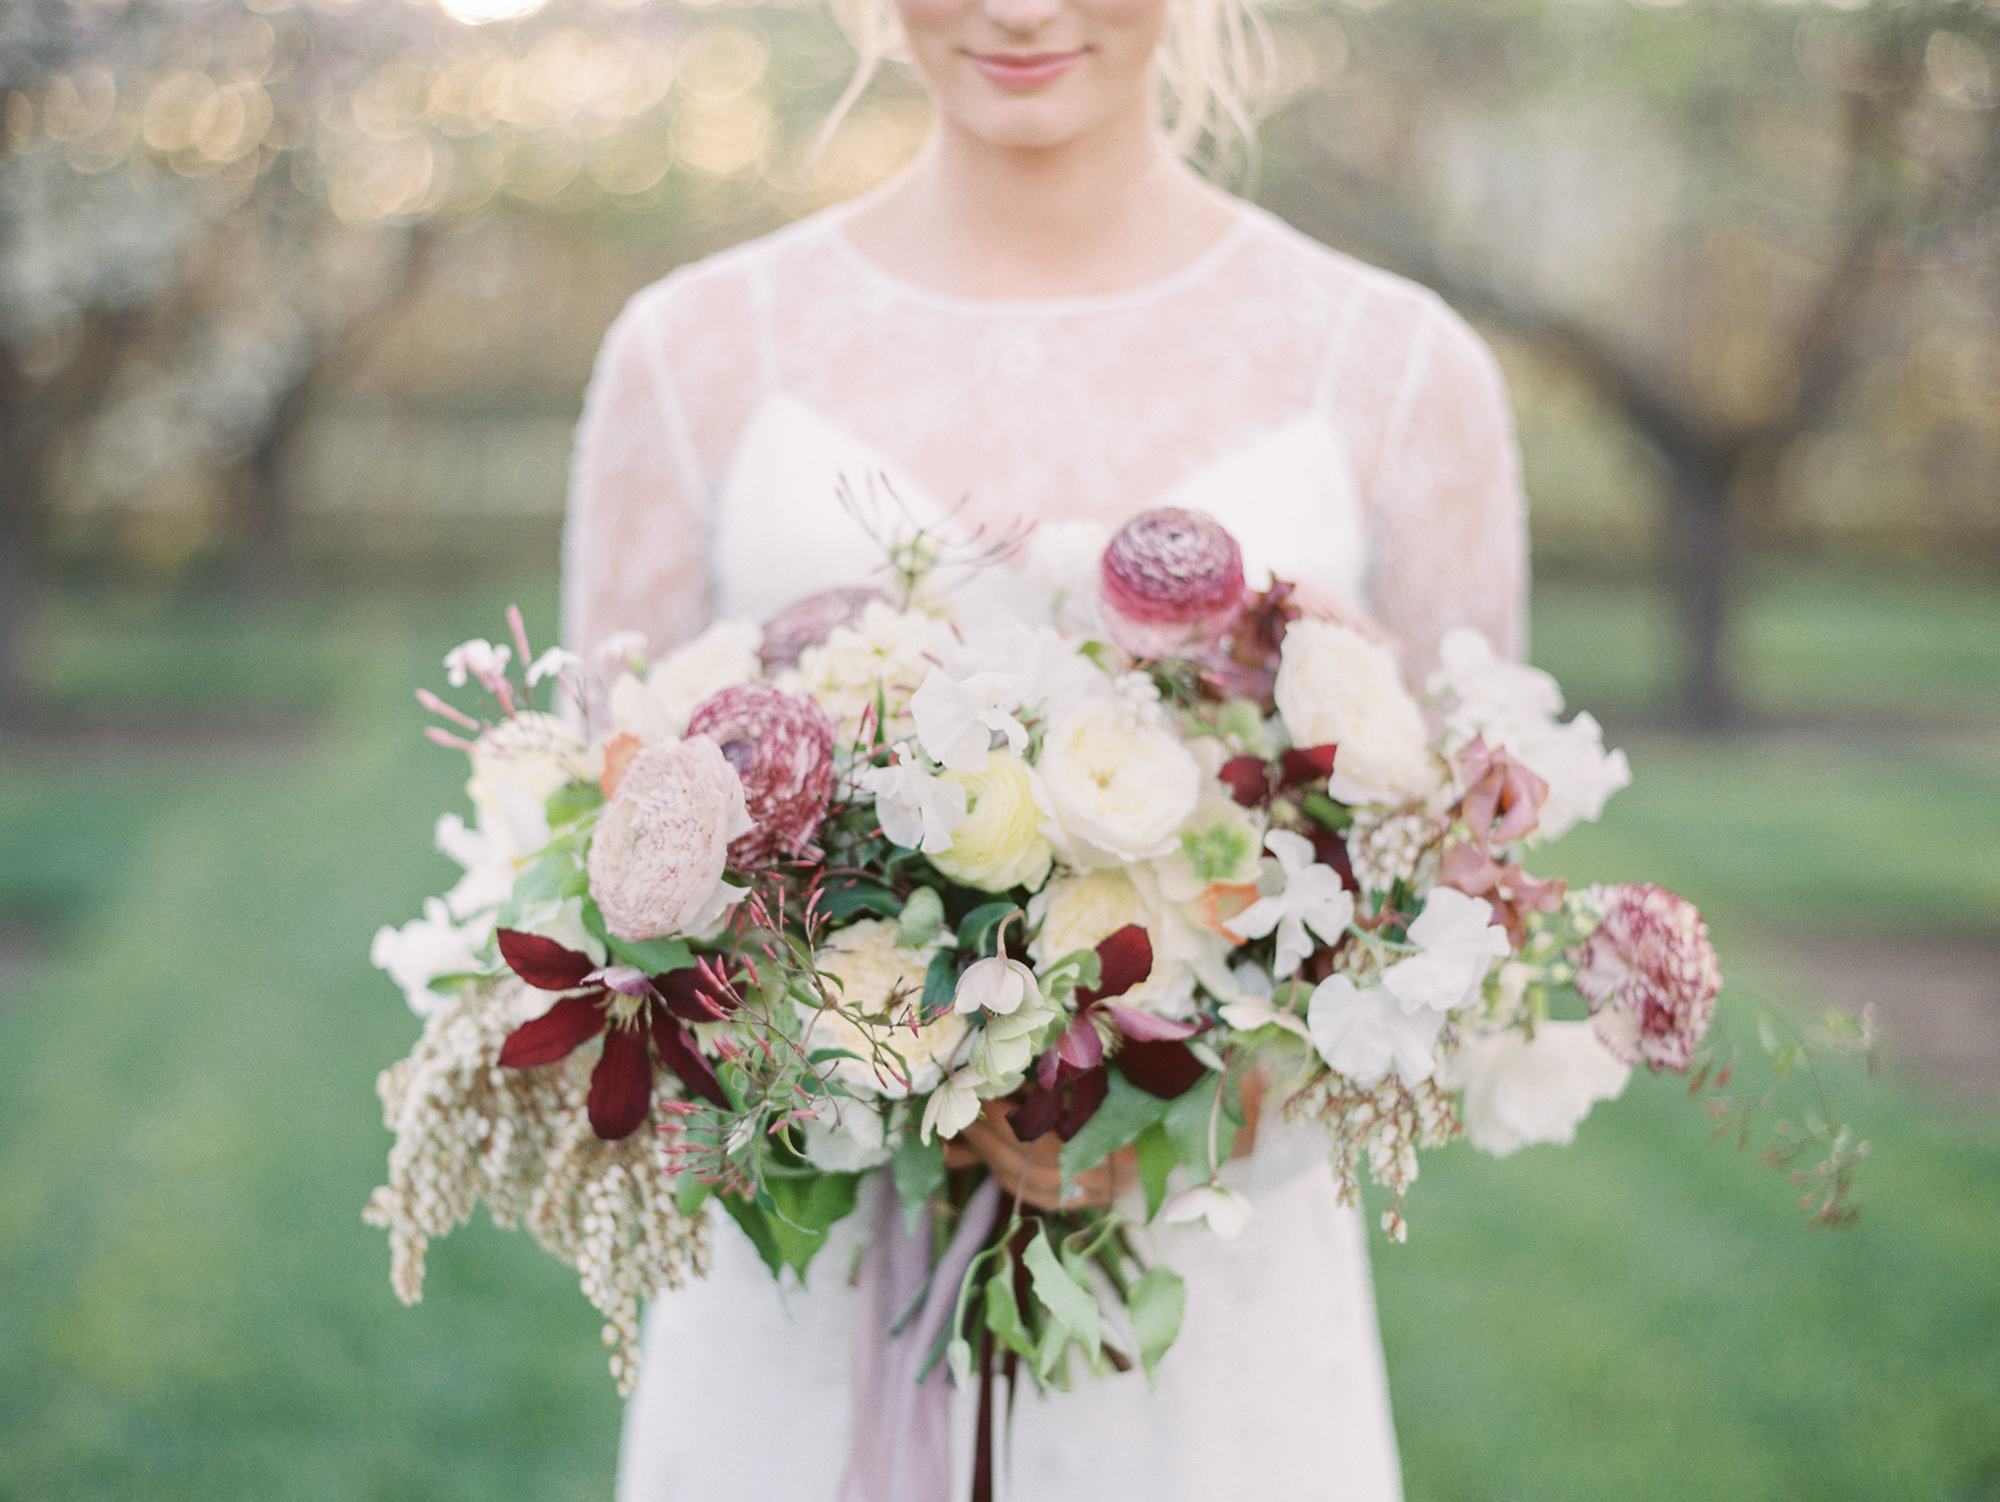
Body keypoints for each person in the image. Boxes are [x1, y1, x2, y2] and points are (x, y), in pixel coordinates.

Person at [561, 0, 1526, 1489]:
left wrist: (1195, 1070)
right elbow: (597, 831)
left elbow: (1470, 887)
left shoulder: (1393, 364)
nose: (1019, 8)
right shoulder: (695, 350)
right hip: (799, 1315)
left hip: (1216, 1304)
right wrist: (843, 1046)